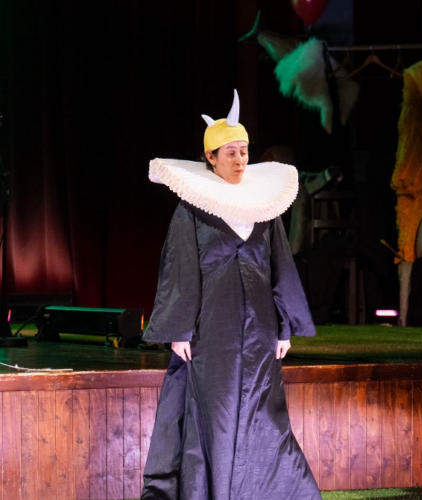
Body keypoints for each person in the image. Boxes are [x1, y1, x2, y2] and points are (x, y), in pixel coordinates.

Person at [141, 90, 321, 500]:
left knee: (264, 415)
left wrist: (285, 326)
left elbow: (280, 266)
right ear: (211, 157)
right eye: (230, 153)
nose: (240, 160)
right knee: (218, 417)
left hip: (259, 328)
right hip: (213, 330)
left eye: (244, 152)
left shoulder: (263, 206)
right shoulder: (192, 209)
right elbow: (180, 268)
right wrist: (179, 329)